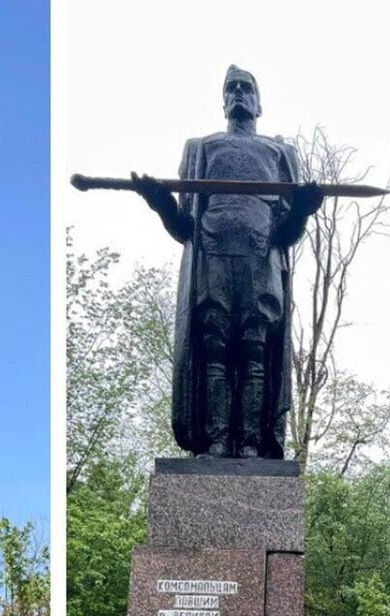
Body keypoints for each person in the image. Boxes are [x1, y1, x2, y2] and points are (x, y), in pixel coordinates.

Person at [131, 65, 324, 459]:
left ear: (259, 103)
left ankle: (252, 442)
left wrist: (302, 210)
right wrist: (160, 203)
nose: (239, 93)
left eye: (246, 88)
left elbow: (287, 233)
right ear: (223, 101)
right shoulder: (200, 149)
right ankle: (216, 440)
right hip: (213, 260)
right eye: (232, 88)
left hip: (260, 263)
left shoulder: (280, 153)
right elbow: (185, 227)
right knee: (214, 350)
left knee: (255, 351)